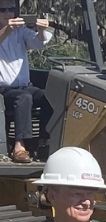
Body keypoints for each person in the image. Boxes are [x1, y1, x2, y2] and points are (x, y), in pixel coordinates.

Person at [0, 1, 53, 163]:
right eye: (3, 10)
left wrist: (42, 30)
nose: (8, 13)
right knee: (24, 98)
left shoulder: (21, 31)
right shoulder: (8, 31)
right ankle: (19, 146)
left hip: (24, 86)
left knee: (50, 97)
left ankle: (44, 142)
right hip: (4, 91)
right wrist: (8, 29)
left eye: (12, 9)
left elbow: (38, 43)